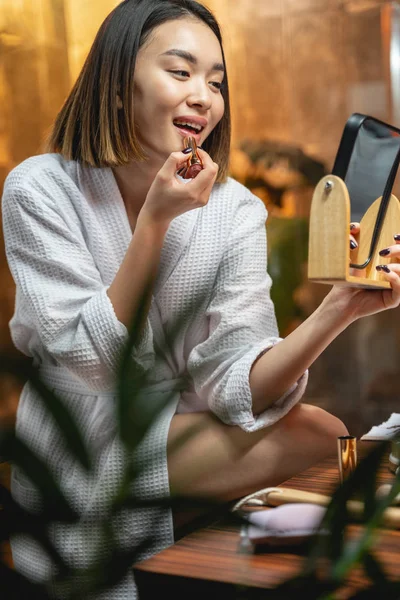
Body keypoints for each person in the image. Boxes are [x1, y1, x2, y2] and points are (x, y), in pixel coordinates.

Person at [2, 0, 400, 598]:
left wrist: (338, 308)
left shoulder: (235, 208)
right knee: (318, 436)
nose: (204, 97)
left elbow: (237, 380)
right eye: (180, 72)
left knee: (322, 430)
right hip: (83, 436)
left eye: (216, 82)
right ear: (116, 86)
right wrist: (154, 226)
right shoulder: (39, 187)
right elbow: (93, 361)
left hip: (180, 426)